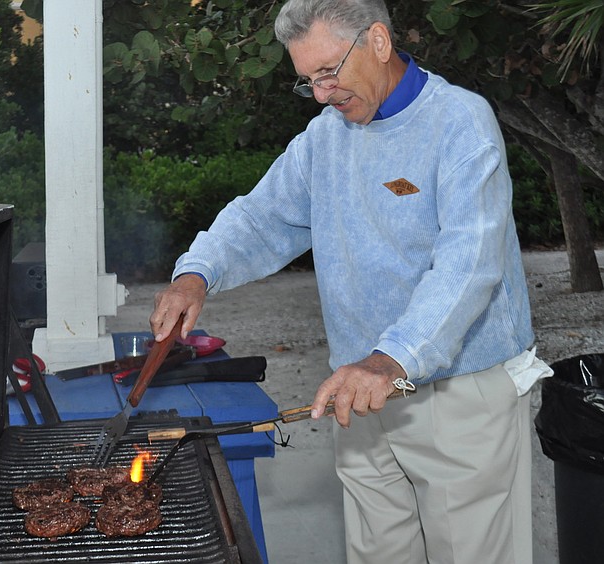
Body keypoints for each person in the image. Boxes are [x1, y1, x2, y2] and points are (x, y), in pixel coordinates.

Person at [148, 0, 550, 562]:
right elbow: (261, 216)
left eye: (329, 72)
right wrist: (197, 273)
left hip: (459, 389)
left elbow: (469, 264)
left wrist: (392, 358)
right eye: (307, 81)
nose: (320, 94)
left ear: (378, 42)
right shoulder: (325, 137)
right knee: (377, 552)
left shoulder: (459, 122)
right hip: (357, 391)